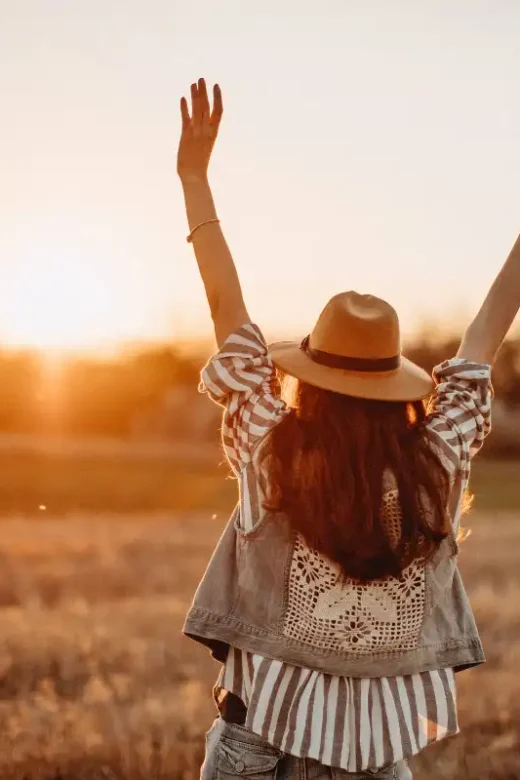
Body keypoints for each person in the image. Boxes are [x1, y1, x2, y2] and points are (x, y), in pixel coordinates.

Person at [177, 78, 520, 780]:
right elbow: (486, 334)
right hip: (377, 760)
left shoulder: (269, 446)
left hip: (256, 747)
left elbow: (225, 310)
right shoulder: (439, 460)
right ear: (397, 385)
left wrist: (194, 181)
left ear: (309, 375)